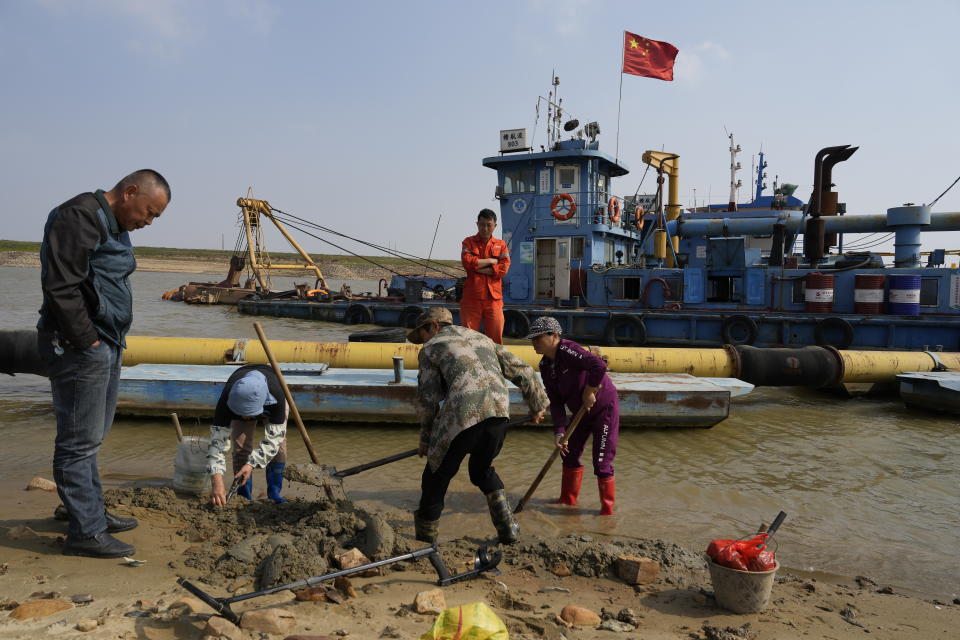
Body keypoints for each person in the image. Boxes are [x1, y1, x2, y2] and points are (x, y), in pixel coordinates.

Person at [37, 170, 170, 558]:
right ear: (130, 192)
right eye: (149, 212)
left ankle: (88, 512)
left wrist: (105, 341)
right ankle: (85, 533)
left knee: (91, 436)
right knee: (78, 441)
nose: (147, 222)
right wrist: (88, 341)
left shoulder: (113, 225)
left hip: (106, 343)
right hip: (81, 346)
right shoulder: (77, 216)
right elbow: (61, 286)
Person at [407, 308, 548, 544]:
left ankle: (424, 540)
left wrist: (426, 440)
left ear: (432, 326)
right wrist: (537, 405)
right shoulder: (482, 338)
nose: (421, 341)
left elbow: (428, 399)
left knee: (436, 476)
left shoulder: (431, 347)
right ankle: (508, 530)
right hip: (499, 414)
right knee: (481, 471)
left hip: (464, 416)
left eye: (420, 334)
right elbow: (523, 370)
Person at [526, 316, 619, 515]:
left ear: (554, 336)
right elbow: (557, 402)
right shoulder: (544, 366)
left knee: (602, 463)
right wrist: (559, 432)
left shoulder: (567, 349)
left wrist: (590, 390)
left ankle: (606, 512)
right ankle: (567, 501)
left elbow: (598, 366)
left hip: (603, 410)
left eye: (538, 338)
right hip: (580, 413)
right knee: (568, 454)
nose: (534, 343)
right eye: (532, 339)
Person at [206, 364, 289, 506]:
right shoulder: (226, 401)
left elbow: (273, 440)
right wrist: (216, 481)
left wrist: (251, 465)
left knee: (279, 448)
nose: (245, 418)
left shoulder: (277, 396)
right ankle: (244, 496)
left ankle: (274, 494)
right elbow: (216, 444)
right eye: (242, 414)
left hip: (271, 400)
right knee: (241, 449)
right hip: (237, 400)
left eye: (249, 415)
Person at [460, 208, 510, 343]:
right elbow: (467, 262)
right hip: (472, 298)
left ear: (495, 226)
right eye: (482, 224)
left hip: (494, 300)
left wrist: (477, 268)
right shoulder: (468, 242)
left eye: (489, 225)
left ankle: (495, 364)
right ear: (477, 224)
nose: (485, 228)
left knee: (496, 340)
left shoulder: (501, 244)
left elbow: (504, 269)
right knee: (468, 339)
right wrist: (491, 261)